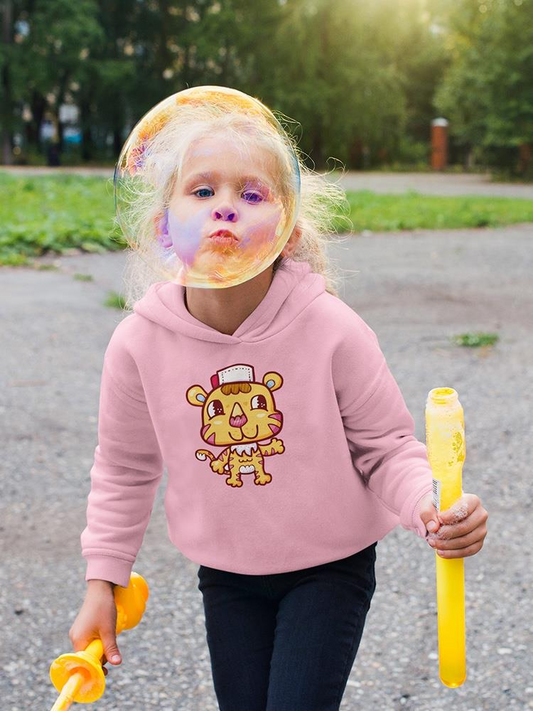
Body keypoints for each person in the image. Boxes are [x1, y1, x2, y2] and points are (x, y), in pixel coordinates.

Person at [69, 87, 488, 711]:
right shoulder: (138, 344)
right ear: (164, 224)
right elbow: (125, 469)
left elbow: (386, 446)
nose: (225, 209)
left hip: (330, 568)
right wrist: (102, 580)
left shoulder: (330, 328)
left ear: (287, 228)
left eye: (253, 193)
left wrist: (430, 504)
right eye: (203, 190)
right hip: (227, 575)